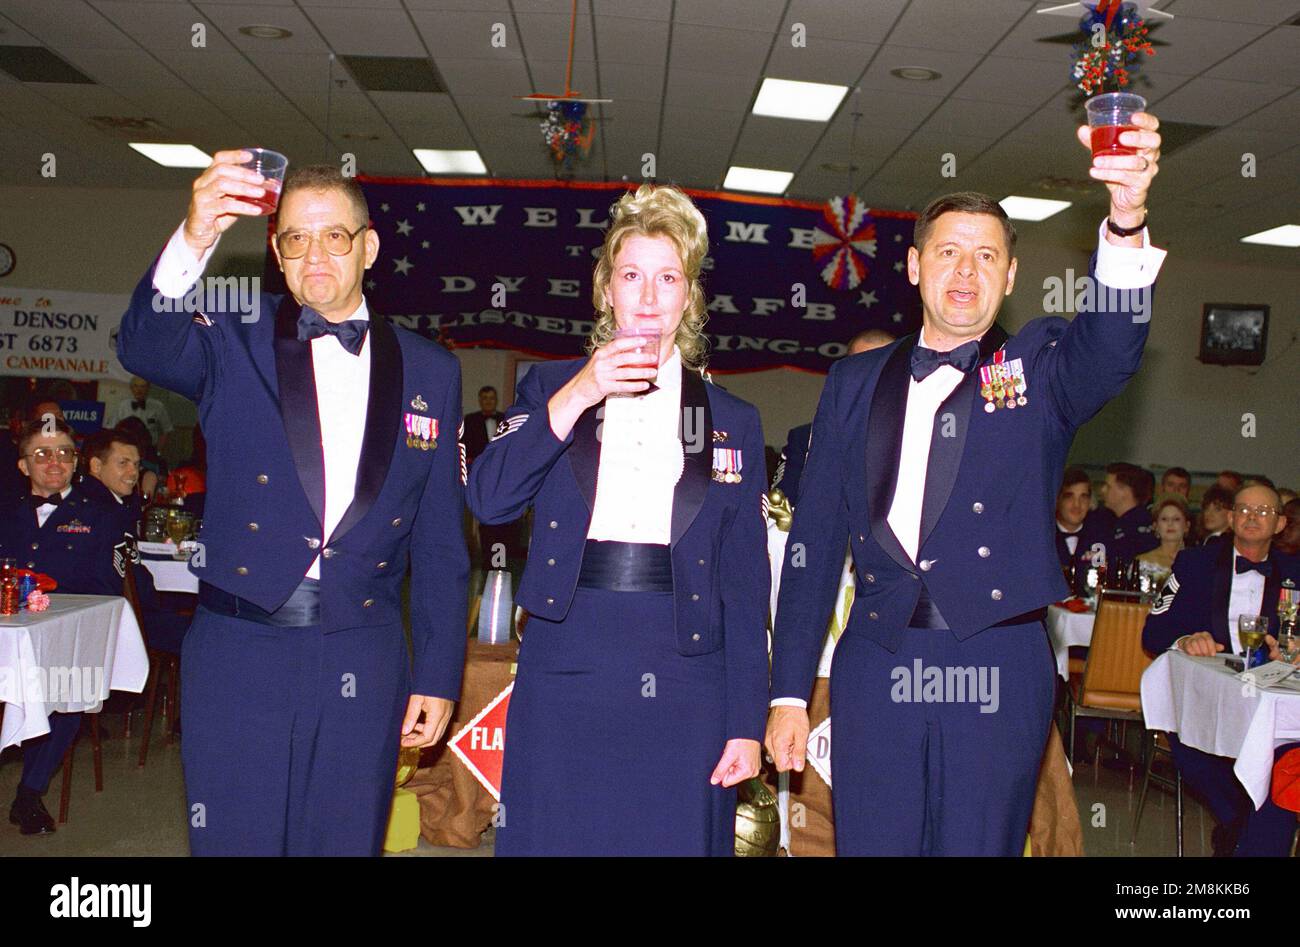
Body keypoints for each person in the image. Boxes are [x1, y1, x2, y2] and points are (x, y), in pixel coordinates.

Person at [766, 110, 1166, 856]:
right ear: (915, 266)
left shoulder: (1038, 371)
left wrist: (1125, 215)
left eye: (986, 256)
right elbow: (814, 544)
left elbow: (1109, 350)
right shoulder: (853, 382)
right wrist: (789, 691)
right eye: (948, 251)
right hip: (876, 663)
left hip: (995, 666)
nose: (965, 271)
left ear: (1010, 276)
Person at [116, 155, 469, 856]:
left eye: (334, 236)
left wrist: (436, 670)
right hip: (241, 646)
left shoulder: (432, 368)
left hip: (364, 652)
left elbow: (439, 542)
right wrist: (194, 235)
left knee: (341, 843)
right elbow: (144, 344)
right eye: (296, 239)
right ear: (276, 254)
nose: (315, 255)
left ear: (367, 247)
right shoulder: (231, 334)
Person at [467, 184, 768, 856]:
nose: (650, 296)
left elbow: (745, 584)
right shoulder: (548, 388)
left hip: (688, 669)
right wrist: (583, 391)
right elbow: (489, 499)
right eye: (632, 275)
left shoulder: (732, 419)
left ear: (689, 296)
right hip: (569, 654)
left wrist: (747, 720)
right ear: (606, 288)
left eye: (669, 278)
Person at [1142, 483, 1299, 856]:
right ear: (1230, 518)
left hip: (1266, 708)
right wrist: (1184, 639)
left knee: (1285, 767)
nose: (1252, 517)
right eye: (1244, 509)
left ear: (1280, 524)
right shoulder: (1194, 563)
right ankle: (1239, 825)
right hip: (1205, 702)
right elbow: (1153, 632)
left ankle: (1245, 841)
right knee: (1196, 752)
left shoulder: (1295, 573)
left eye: (1263, 511)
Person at [1, 417, 132, 835]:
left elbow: (108, 589)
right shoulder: (7, 512)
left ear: (76, 463)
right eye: (41, 453)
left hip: (63, 637)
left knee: (74, 687)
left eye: (62, 453)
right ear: (24, 465)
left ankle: (28, 794)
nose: (53, 461)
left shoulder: (101, 516)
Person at [771, 329, 894, 507]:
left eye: (881, 368)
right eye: (861, 368)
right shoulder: (806, 439)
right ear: (845, 373)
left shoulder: (923, 436)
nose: (870, 378)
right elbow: (783, 507)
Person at [462, 386, 515, 570]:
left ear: (496, 400)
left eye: (491, 398)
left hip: (504, 479)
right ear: (479, 400)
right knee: (485, 520)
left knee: (503, 521)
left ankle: (500, 562)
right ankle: (488, 561)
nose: (488, 401)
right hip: (480, 479)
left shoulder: (505, 420)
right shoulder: (470, 421)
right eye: (484, 398)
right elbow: (465, 449)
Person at [1054, 466, 1108, 593]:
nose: (1077, 505)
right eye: (1069, 496)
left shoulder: (1100, 538)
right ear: (1057, 500)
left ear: (1090, 501)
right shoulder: (1042, 538)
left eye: (1083, 497)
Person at [1094, 461, 1159, 563]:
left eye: (1108, 486)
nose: (1102, 490)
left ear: (1124, 491)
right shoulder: (1109, 521)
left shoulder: (1135, 532)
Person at [105, 376, 174, 457]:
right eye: (136, 386)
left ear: (148, 388)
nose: (139, 390)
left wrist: (158, 451)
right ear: (131, 388)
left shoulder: (158, 406)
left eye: (142, 386)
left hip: (149, 450)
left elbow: (167, 429)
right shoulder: (122, 406)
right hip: (126, 449)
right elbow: (110, 429)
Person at [1136, 495, 1191, 573]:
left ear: (1187, 526)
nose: (1170, 523)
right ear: (1156, 526)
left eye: (1176, 519)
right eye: (1164, 519)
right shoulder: (1142, 562)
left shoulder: (1197, 561)